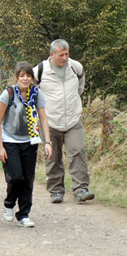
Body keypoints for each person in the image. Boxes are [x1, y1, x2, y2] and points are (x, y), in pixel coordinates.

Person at [35, 39, 94, 204]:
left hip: (73, 119)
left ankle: (81, 189)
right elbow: (31, 92)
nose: (65, 58)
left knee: (77, 151)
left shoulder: (76, 67)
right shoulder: (39, 71)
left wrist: (75, 100)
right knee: (52, 156)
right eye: (61, 55)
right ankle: (56, 191)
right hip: (50, 122)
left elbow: (80, 86)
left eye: (67, 54)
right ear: (51, 54)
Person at [0, 61, 53, 228]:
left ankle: (24, 214)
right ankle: (9, 203)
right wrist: (0, 146)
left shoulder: (36, 94)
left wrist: (47, 142)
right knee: (16, 177)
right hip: (10, 141)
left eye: (28, 76)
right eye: (22, 76)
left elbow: (43, 118)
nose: (25, 79)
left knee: (28, 179)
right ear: (16, 77)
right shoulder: (8, 94)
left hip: (30, 140)